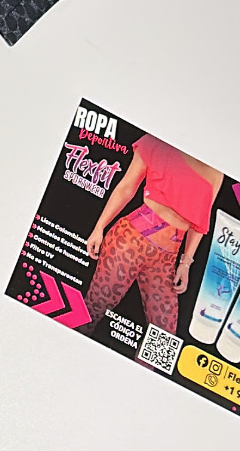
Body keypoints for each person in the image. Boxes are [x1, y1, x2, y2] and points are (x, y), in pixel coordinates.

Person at [84, 134, 222, 337]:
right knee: (91, 312)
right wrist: (99, 227)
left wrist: (185, 263)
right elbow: (126, 188)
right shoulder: (157, 141)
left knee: (162, 339)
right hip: (129, 242)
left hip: (166, 260)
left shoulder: (217, 171)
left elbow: (200, 223)